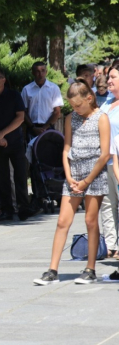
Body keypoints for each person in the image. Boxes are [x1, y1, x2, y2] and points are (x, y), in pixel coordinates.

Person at [34, 79, 110, 285]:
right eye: (72, 106)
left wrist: (86, 181)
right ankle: (52, 269)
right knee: (62, 221)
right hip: (74, 173)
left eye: (78, 105)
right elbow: (66, 148)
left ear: (89, 98)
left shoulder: (101, 118)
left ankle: (90, 268)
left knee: (90, 221)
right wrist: (68, 176)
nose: (75, 109)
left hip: (94, 174)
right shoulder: (70, 119)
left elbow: (104, 155)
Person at [0, 68, 36, 221]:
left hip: (15, 142)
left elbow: (20, 118)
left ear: (4, 79)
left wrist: (2, 133)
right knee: (2, 178)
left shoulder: (14, 95)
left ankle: (24, 207)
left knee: (20, 175)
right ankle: (7, 209)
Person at [98, 63, 119, 258]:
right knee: (107, 203)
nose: (109, 81)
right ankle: (111, 245)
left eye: (113, 77)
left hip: (118, 162)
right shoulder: (106, 102)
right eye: (108, 77)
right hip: (105, 162)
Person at [22, 62, 63, 139]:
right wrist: (33, 128)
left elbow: (57, 112)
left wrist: (44, 128)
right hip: (32, 128)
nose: (40, 74)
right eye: (37, 71)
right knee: (31, 150)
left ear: (46, 72)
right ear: (33, 72)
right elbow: (23, 111)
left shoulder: (54, 88)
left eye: (43, 70)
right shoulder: (27, 89)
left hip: (48, 127)